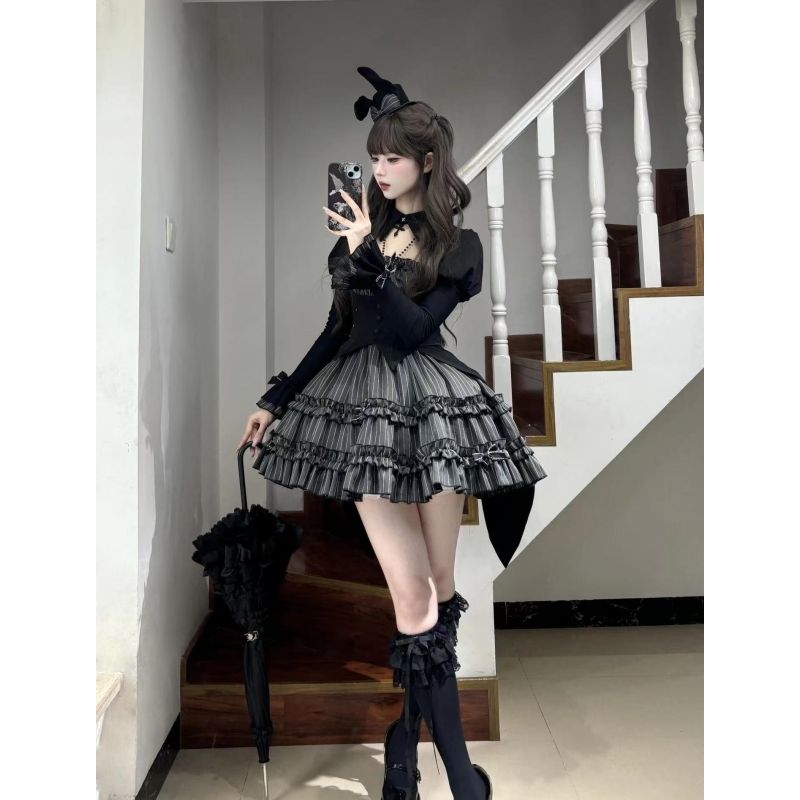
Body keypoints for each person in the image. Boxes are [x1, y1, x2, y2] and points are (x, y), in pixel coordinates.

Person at [238, 66, 547, 800]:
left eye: (393, 158)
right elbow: (339, 331)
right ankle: (463, 780)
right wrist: (277, 398)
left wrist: (370, 255)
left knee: (439, 589)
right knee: (413, 601)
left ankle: (404, 744)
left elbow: (413, 333)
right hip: (363, 415)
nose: (379, 170)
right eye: (373, 157)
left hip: (433, 408)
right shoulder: (359, 237)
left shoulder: (457, 246)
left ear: (427, 162)